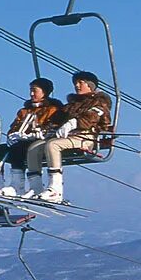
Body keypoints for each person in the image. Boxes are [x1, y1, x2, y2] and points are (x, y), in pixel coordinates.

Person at [25, 70, 113, 204]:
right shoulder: (72, 105)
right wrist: (44, 129)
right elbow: (56, 119)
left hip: (85, 138)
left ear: (90, 85)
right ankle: (35, 188)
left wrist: (74, 122)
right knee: (34, 148)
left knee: (53, 145)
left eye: (80, 83)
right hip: (68, 138)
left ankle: (55, 189)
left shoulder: (100, 102)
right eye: (75, 83)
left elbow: (92, 117)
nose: (77, 86)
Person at [0, 78, 64, 196]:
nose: (32, 94)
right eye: (30, 90)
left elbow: (53, 127)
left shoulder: (52, 110)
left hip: (39, 143)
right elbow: (15, 126)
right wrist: (13, 135)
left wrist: (35, 134)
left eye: (35, 90)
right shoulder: (25, 111)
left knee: (18, 148)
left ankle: (17, 185)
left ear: (44, 92)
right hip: (23, 141)